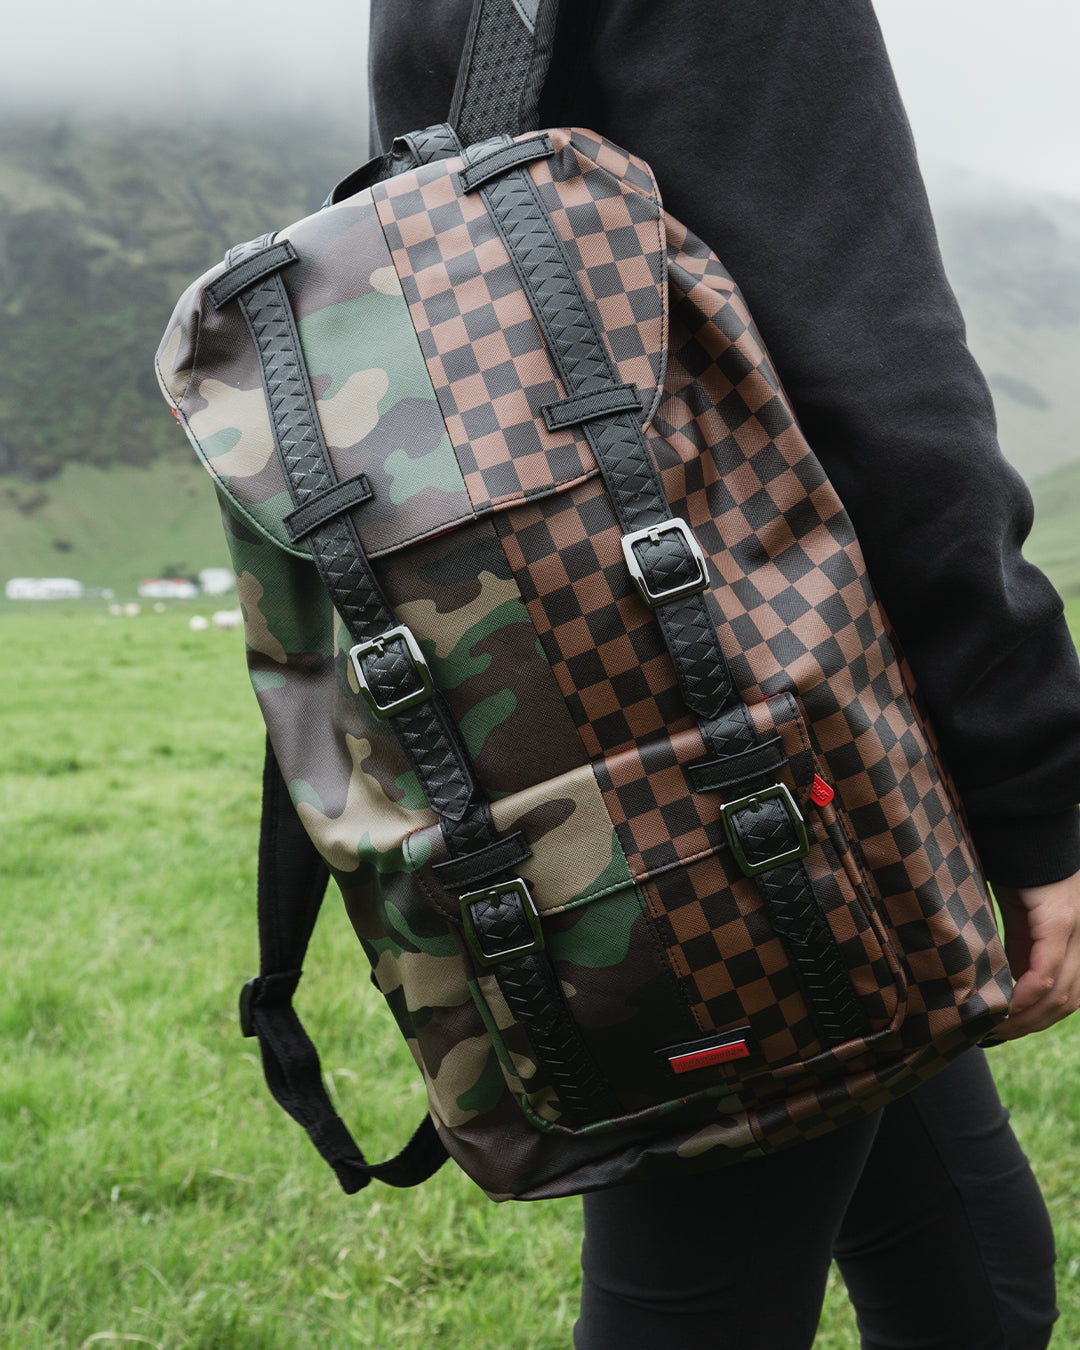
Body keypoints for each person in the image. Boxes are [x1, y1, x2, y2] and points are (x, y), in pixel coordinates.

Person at [367, 3, 1080, 1345]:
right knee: (701, 1303)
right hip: (751, 755)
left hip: (581, 726)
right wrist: (1035, 785)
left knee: (975, 1269)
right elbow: (871, 367)